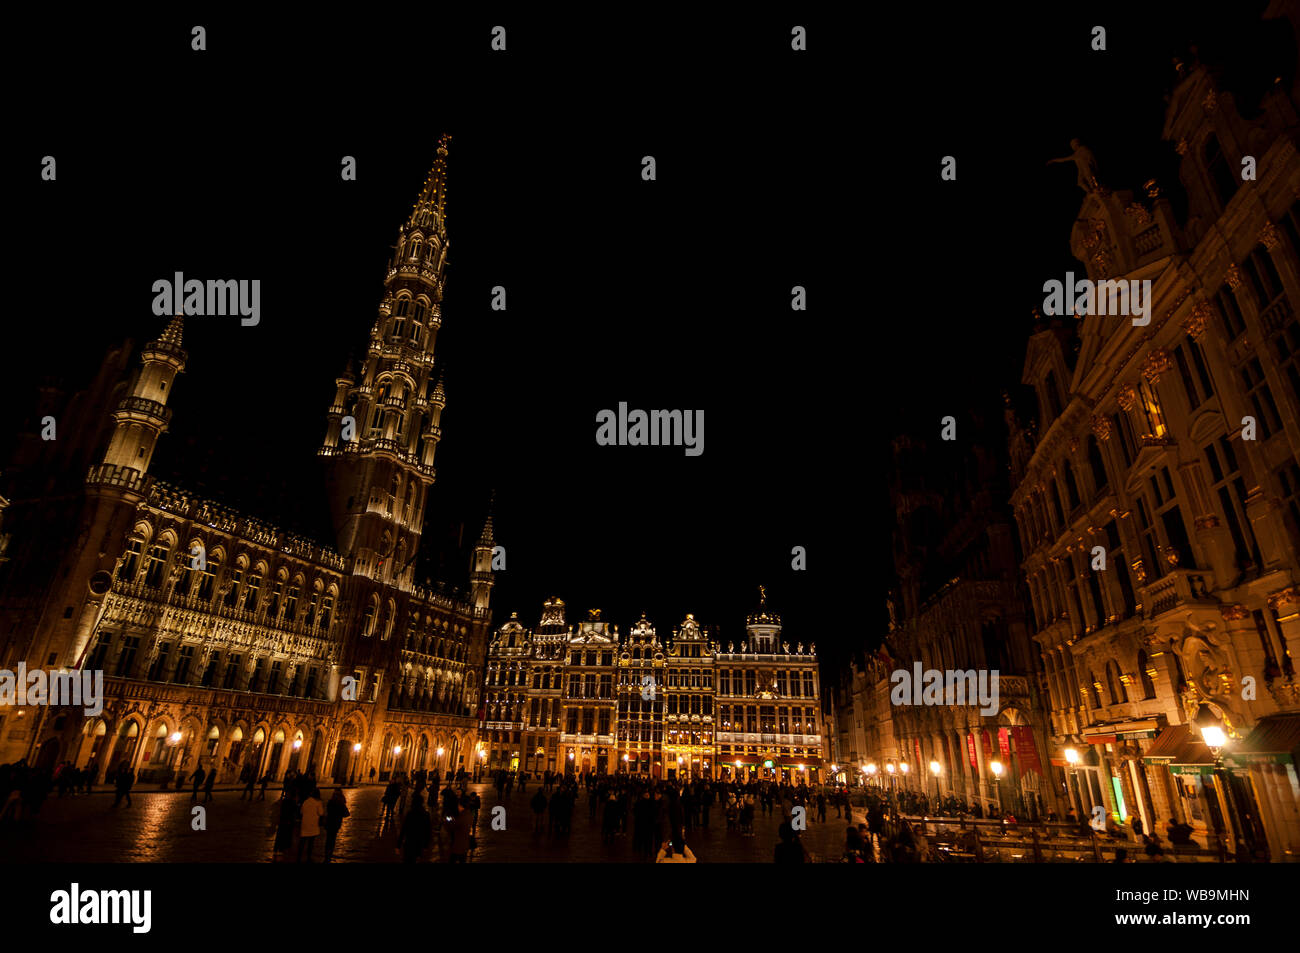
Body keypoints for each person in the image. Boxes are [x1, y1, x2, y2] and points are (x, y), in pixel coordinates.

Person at [397, 797, 433, 863]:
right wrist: (426, 845)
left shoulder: (410, 813)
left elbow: (404, 829)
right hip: (419, 842)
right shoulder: (426, 814)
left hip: (409, 842)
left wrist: (398, 844)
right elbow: (428, 831)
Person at [298, 787, 326, 862]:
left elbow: (301, 812)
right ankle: (308, 857)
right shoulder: (318, 802)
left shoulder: (306, 801)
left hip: (305, 824)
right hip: (313, 825)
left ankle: (299, 857)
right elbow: (321, 813)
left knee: (302, 842)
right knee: (311, 843)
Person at [323, 788, 350, 862]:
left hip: (329, 823)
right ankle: (329, 855)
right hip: (336, 824)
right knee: (332, 839)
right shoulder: (341, 804)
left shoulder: (330, 802)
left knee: (328, 839)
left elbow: (328, 811)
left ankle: (326, 855)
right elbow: (347, 814)